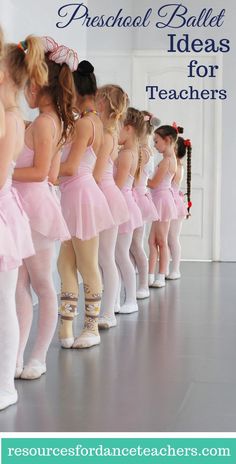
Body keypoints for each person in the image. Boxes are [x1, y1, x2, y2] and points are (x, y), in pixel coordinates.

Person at [13, 36, 76, 379]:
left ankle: (36, 356)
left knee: (38, 284)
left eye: (27, 86)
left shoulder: (43, 123)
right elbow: (51, 174)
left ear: (38, 85)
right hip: (33, 206)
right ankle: (20, 356)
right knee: (27, 283)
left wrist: (7, 171)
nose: (24, 93)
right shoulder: (54, 122)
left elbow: (39, 174)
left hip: (32, 209)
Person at [0, 31, 45, 408]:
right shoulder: (11, 116)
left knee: (5, 303)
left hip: (2, 213)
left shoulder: (13, 119)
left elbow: (0, 176)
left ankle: (5, 386)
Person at [58, 60, 114, 348]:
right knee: (65, 263)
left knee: (87, 265)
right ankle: (66, 330)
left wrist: (44, 173)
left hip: (80, 195)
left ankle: (90, 328)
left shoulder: (85, 123)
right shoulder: (91, 121)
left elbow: (70, 168)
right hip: (75, 196)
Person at [93, 84, 129, 328]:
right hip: (106, 195)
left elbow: (96, 174)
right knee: (102, 258)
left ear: (103, 103)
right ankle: (108, 306)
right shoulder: (108, 131)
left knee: (105, 257)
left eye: (96, 99)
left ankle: (107, 312)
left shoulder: (107, 134)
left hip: (105, 195)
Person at [115, 107, 144, 314]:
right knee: (117, 255)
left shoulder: (126, 154)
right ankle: (117, 298)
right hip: (125, 203)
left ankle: (130, 298)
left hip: (122, 205)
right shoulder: (130, 152)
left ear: (128, 128)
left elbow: (117, 184)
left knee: (121, 254)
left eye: (118, 128)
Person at [131, 111, 160, 298]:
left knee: (135, 245)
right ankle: (135, 282)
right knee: (131, 246)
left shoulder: (142, 151)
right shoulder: (142, 150)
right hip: (136, 197)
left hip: (137, 199)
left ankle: (142, 284)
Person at [147, 124, 179, 288]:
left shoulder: (167, 161)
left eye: (156, 141)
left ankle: (160, 275)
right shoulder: (168, 159)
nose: (154, 144)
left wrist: (139, 175)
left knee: (161, 240)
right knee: (152, 240)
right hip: (159, 200)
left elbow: (153, 184)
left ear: (167, 140)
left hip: (162, 201)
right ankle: (150, 275)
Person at [167, 136, 192, 279]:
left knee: (172, 238)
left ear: (175, 149)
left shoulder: (176, 166)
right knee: (167, 238)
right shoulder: (173, 164)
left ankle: (176, 269)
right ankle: (168, 268)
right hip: (171, 201)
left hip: (175, 203)